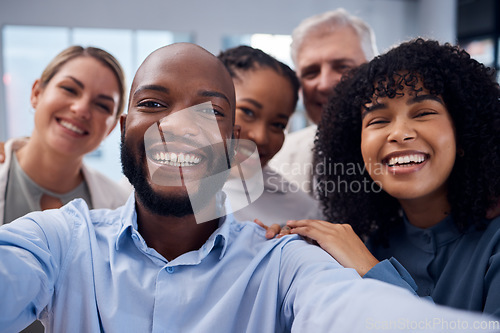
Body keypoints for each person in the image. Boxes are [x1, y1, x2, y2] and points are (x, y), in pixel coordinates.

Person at [0, 42, 496, 332]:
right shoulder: (64, 239)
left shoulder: (288, 248)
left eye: (212, 112)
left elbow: (353, 310)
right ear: (123, 124)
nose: (182, 126)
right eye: (153, 104)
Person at [278, 38, 500, 317]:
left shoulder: (494, 242)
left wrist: (371, 269)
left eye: (424, 113)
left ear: (465, 131)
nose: (399, 133)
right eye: (378, 120)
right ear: (356, 149)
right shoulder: (364, 244)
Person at [0, 45, 129, 226]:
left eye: (102, 105)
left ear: (112, 128)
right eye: (69, 89)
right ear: (37, 93)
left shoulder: (121, 206)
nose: (81, 109)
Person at [268, 8, 377, 195]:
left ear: (374, 72)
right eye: (311, 72)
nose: (325, 84)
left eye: (342, 67)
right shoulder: (276, 157)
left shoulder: (403, 150)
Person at [217, 45, 320, 227]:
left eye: (278, 125)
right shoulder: (161, 185)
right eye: (248, 112)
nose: (261, 137)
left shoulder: (303, 213)